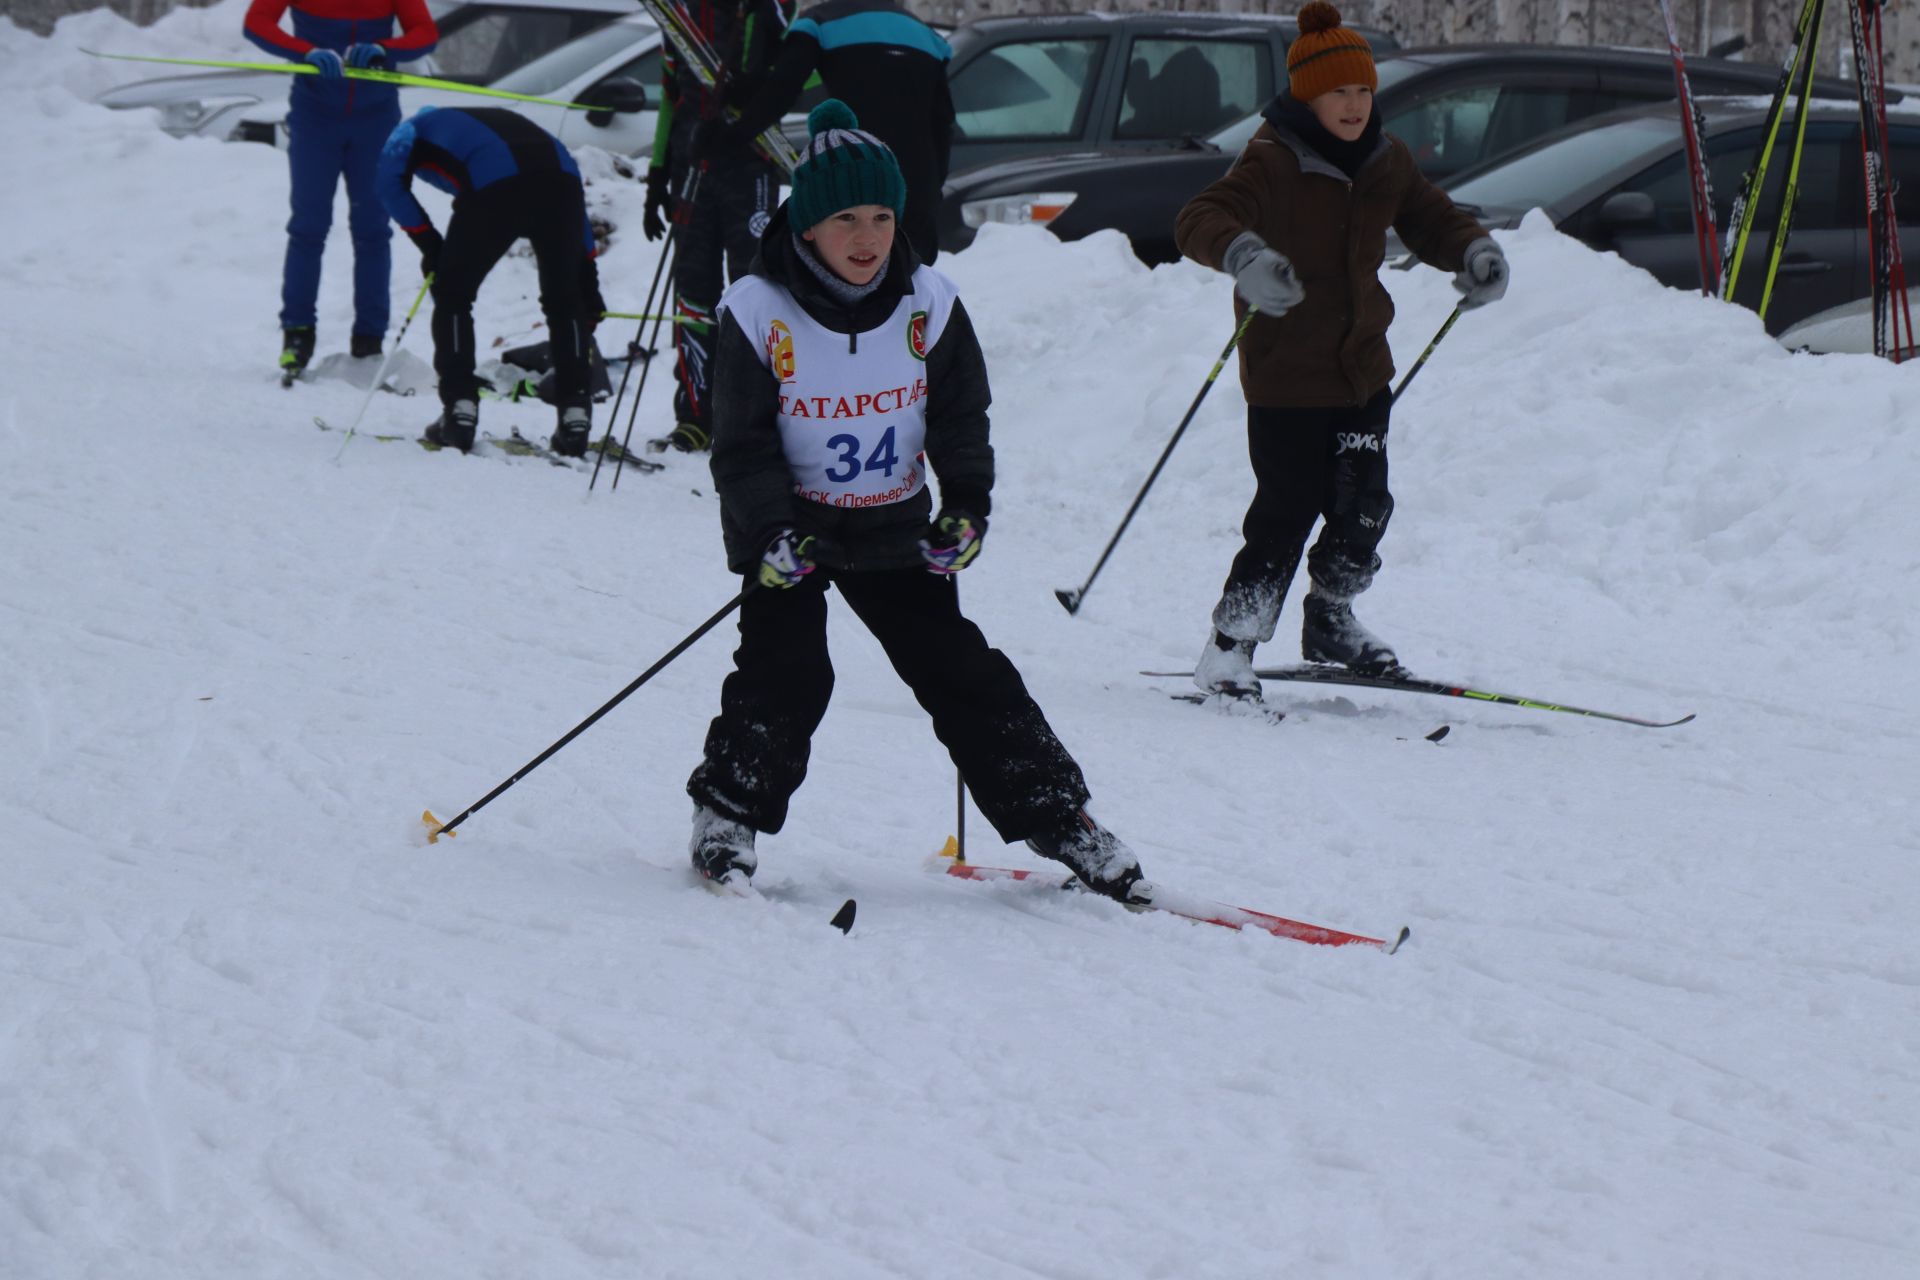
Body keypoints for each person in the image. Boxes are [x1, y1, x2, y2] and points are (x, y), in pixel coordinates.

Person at [683, 101, 1150, 905]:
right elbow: (742, 444)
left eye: (881, 216)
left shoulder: (928, 301)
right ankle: (727, 814)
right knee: (787, 672)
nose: (867, 238)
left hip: (896, 524)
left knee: (964, 672)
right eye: (845, 220)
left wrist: (965, 506)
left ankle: (1062, 820)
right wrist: (769, 532)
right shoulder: (757, 310)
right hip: (792, 532)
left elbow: (960, 414)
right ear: (805, 225)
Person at [1173, 2, 1509, 700]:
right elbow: (1199, 218)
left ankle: (1330, 617)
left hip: (1361, 369)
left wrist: (1472, 249)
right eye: (1338, 93)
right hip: (1286, 376)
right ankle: (1229, 649)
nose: (1354, 105)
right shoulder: (1271, 159)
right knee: (1286, 510)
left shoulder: (1385, 159)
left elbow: (1429, 216)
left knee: (1365, 505)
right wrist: (1243, 255)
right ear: (1308, 95)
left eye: (1362, 91)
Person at [375, 106, 606, 456]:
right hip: (561, 179)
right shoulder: (476, 122)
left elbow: (387, 185)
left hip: (498, 184)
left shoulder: (407, 132)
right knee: (566, 299)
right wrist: (588, 275)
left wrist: (429, 243)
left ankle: (459, 413)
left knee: (453, 294)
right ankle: (575, 416)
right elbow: (574, 211)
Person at [242, 0, 439, 379]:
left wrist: (385, 50)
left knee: (373, 231)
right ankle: (297, 333)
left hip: (375, 117)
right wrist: (306, 52)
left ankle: (369, 338)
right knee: (308, 226)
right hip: (316, 116)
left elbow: (424, 33)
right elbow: (257, 23)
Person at [688, 0, 955, 264]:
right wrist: (934, 189)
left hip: (855, 178)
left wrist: (726, 138)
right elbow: (943, 122)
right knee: (913, 287)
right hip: (919, 183)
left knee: (852, 287)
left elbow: (781, 90)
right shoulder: (928, 36)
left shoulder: (818, 22)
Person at [642, 0, 797, 454]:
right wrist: (656, 172)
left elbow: (806, 71)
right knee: (692, 289)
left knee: (753, 290)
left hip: (750, 162)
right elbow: (672, 94)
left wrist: (760, 87)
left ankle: (750, 416)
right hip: (692, 163)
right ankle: (695, 415)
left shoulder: (774, 6)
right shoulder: (682, 12)